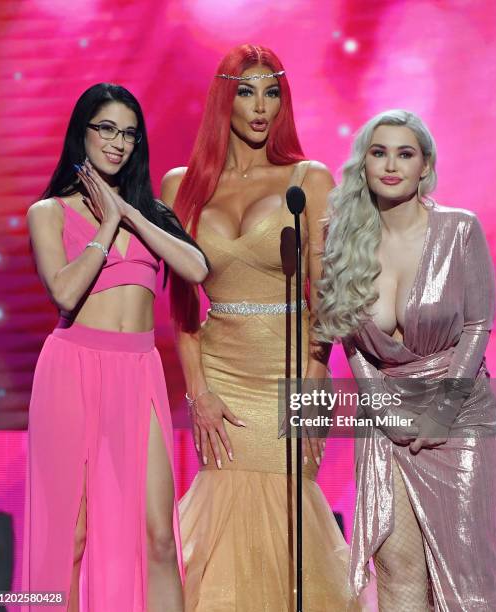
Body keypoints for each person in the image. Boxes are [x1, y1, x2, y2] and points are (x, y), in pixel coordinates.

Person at [161, 44, 357, 611]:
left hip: (291, 371)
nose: (260, 106)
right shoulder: (181, 187)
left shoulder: (308, 177)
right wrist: (199, 392)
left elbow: (327, 300)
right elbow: (181, 306)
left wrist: (316, 395)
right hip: (221, 372)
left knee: (287, 505)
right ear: (224, 97)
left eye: (272, 92)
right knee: (224, 507)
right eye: (246, 91)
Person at [23, 83, 208, 612]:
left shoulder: (146, 215)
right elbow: (63, 291)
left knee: (158, 534)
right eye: (106, 128)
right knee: (72, 536)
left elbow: (196, 269)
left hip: (138, 372)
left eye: (128, 133)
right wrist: (105, 223)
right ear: (81, 133)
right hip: (71, 369)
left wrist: (128, 213)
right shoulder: (49, 212)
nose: (118, 142)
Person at [316, 109, 496, 611]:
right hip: (384, 416)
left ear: (425, 166)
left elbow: (476, 324)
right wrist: (384, 408)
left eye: (406, 153)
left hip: (457, 413)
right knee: (397, 569)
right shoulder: (342, 238)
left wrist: (441, 411)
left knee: (468, 574)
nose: (391, 165)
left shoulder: (459, 229)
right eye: (379, 152)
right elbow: (348, 338)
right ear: (365, 163)